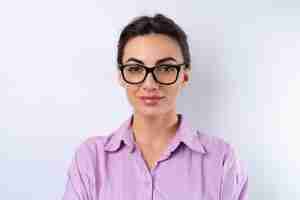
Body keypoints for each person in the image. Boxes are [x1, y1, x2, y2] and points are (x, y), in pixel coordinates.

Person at [62, 13, 248, 200]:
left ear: (184, 76)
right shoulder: (91, 158)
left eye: (166, 69)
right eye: (135, 69)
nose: (150, 84)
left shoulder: (221, 159)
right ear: (121, 76)